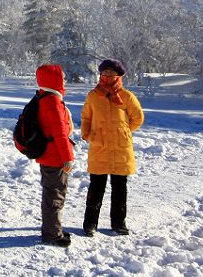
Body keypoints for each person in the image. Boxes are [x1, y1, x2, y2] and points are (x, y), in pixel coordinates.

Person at [80, 58, 144, 236]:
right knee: (96, 187)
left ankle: (118, 223)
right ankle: (90, 224)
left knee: (120, 187)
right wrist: (88, 134)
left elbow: (137, 118)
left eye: (111, 73)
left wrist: (124, 131)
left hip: (121, 147)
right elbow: (86, 118)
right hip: (99, 146)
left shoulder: (126, 96)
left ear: (119, 75)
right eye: (105, 72)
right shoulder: (93, 96)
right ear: (100, 74)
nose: (108, 75)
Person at [32, 64, 76, 247]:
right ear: (54, 79)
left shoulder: (44, 97)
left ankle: (53, 228)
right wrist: (68, 158)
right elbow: (60, 133)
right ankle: (52, 234)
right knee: (55, 195)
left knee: (51, 193)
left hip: (49, 154)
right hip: (55, 156)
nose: (64, 80)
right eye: (62, 77)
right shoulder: (52, 102)